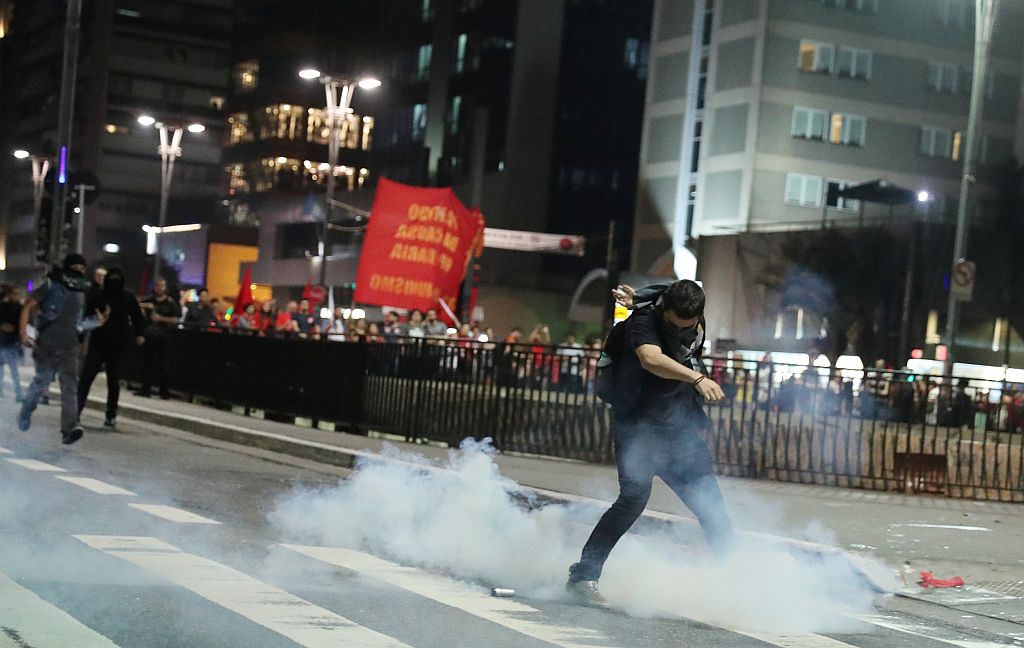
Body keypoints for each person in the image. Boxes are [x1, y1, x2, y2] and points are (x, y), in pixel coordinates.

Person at [566, 280, 731, 605]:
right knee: (631, 502)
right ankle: (583, 577)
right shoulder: (642, 322)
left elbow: (682, 288)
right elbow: (650, 358)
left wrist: (640, 295)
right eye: (673, 324)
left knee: (713, 511)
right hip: (639, 429)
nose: (679, 330)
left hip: (680, 431)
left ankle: (735, 584)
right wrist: (698, 378)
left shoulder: (692, 313)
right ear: (663, 310)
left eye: (687, 325)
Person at [17, 253, 109, 445]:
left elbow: (78, 323)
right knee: (41, 382)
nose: (80, 272)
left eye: (83, 269)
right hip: (47, 344)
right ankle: (26, 411)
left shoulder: (82, 291)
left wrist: (96, 322)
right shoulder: (51, 284)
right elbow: (27, 306)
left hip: (70, 346)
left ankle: (69, 428)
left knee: (70, 386)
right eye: (76, 268)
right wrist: (23, 333)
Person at [77, 267, 145, 427]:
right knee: (89, 378)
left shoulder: (125, 297)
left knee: (111, 381)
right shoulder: (97, 295)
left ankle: (109, 414)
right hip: (100, 342)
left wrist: (140, 333)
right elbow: (86, 316)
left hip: (116, 344)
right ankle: (78, 411)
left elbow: (137, 317)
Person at [138, 277, 179, 398]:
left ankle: (163, 392)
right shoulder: (149, 299)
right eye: (157, 285)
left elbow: (175, 319)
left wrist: (161, 318)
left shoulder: (170, 302)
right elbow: (135, 305)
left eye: (161, 286)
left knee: (164, 365)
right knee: (147, 364)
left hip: (164, 337)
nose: (159, 288)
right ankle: (145, 390)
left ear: (165, 287)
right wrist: (144, 306)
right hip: (149, 335)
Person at [0, 285, 25, 401]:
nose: (17, 296)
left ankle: (18, 394)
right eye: (15, 293)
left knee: (14, 370)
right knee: (5, 370)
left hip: (11, 342)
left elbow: (21, 324)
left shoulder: (19, 308)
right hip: (4, 342)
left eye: (17, 293)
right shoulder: (3, 306)